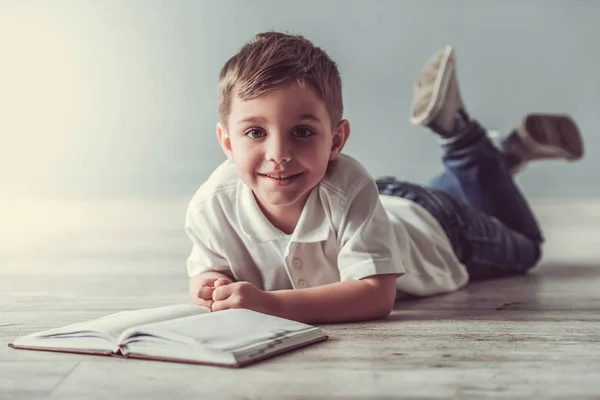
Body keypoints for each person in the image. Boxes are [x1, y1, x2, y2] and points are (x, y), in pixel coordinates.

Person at [185, 33, 584, 324]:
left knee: (526, 247)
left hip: (444, 231)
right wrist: (211, 284)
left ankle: (463, 139)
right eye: (255, 132)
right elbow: (208, 268)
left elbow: (376, 296)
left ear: (337, 140)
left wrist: (271, 305)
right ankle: (502, 156)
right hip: (393, 204)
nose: (278, 154)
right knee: (450, 196)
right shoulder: (212, 204)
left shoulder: (351, 188)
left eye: (302, 132)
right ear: (227, 142)